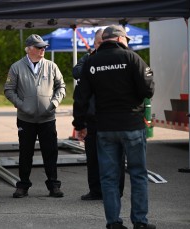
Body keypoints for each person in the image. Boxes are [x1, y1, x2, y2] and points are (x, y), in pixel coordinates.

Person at [72, 25, 155, 229]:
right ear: (119, 39)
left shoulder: (91, 62)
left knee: (108, 177)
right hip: (132, 125)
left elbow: (80, 97)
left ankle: (113, 223)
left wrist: (79, 124)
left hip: (105, 127)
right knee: (137, 174)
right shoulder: (132, 58)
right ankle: (140, 222)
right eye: (126, 39)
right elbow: (148, 89)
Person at [4, 34, 66, 198]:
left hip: (48, 118)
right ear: (29, 49)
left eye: (44, 47)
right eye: (39, 47)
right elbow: (8, 90)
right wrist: (22, 105)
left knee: (50, 152)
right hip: (26, 119)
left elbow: (61, 87)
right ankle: (23, 186)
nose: (43, 49)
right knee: (25, 153)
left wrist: (53, 104)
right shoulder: (16, 67)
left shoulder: (51, 66)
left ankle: (54, 186)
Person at [73, 28, 126, 201]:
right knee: (93, 157)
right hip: (93, 118)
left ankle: (116, 192)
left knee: (116, 158)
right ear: (95, 44)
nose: (102, 46)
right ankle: (95, 191)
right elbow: (76, 72)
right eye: (98, 43)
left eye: (103, 43)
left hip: (114, 118)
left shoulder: (123, 57)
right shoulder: (88, 59)